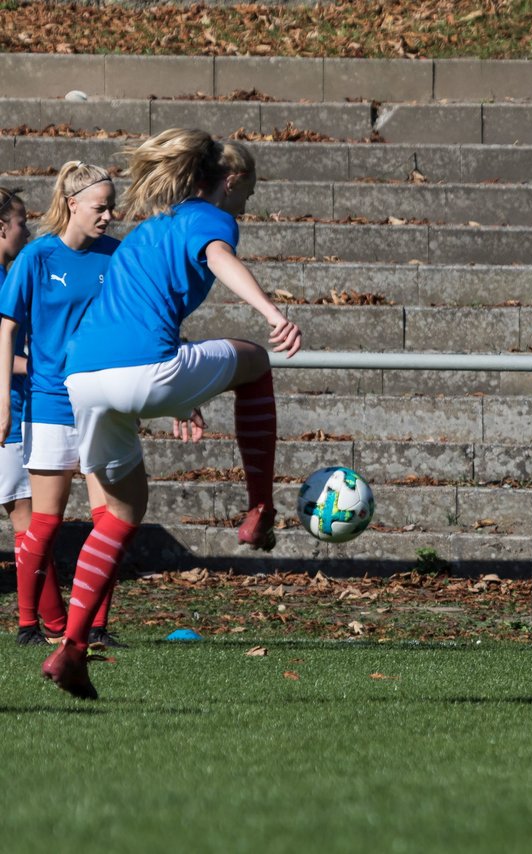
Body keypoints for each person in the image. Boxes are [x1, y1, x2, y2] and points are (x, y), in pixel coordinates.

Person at [39, 127, 300, 699]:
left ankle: (73, 649)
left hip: (83, 379)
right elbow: (220, 256)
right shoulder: (208, 218)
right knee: (255, 362)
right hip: (142, 371)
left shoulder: (149, 231)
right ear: (229, 181)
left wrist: (187, 394)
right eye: (246, 195)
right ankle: (259, 507)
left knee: (123, 511)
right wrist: (270, 312)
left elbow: (146, 312)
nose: (244, 207)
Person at [0, 166, 123, 649]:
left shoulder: (117, 257)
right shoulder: (37, 256)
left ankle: (96, 626)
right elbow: (6, 329)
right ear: (72, 202)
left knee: (108, 520)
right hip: (49, 404)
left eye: (112, 206)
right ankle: (28, 625)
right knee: (44, 523)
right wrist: (3, 405)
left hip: (102, 404)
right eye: (100, 207)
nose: (109, 216)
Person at [0, 186, 69, 646]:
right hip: (9, 412)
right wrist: (46, 366)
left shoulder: (9, 271)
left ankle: (54, 626)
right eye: (21, 220)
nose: (27, 228)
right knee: (27, 519)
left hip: (19, 406)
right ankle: (52, 627)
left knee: (26, 516)